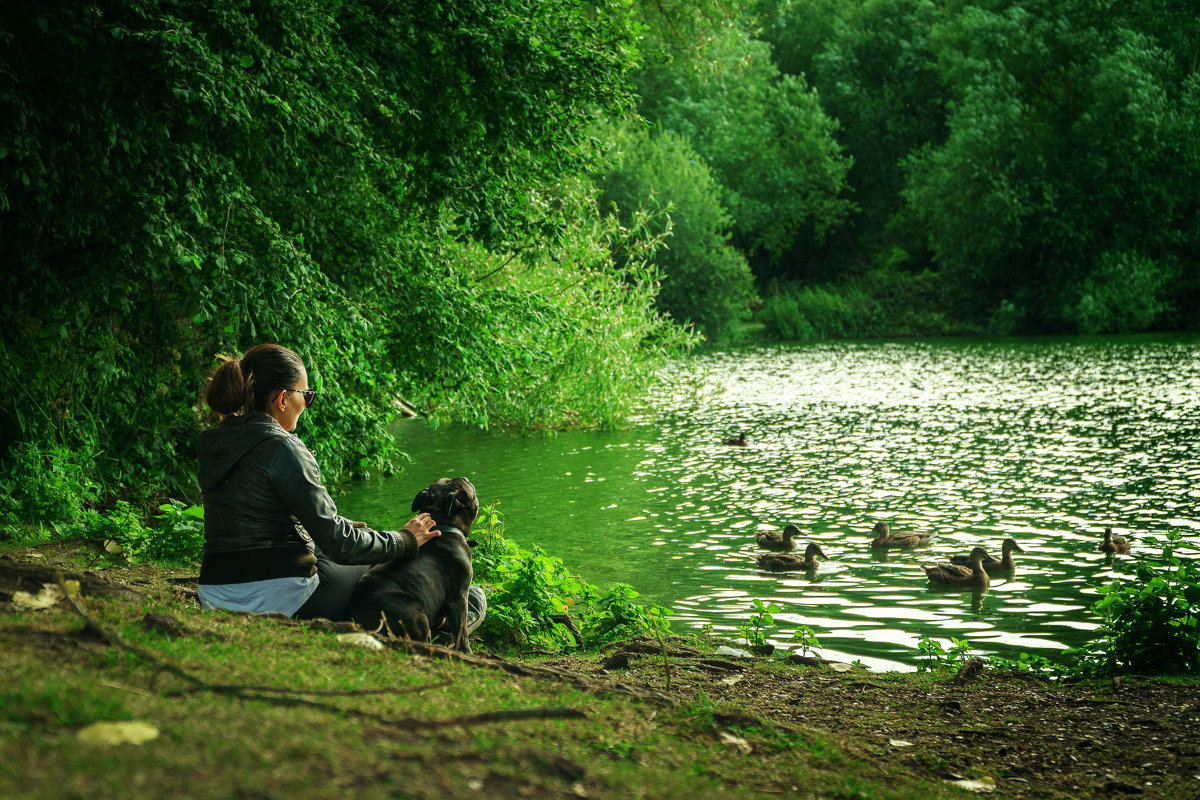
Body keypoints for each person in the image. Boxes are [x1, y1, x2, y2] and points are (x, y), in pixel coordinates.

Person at [197, 343, 464, 623]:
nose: (307, 402)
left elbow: (260, 513)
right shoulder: (283, 448)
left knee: (345, 544)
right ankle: (441, 617)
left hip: (215, 594)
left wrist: (353, 526)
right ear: (283, 399)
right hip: (276, 600)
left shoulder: (217, 442)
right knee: (376, 561)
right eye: (306, 394)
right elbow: (340, 544)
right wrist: (405, 539)